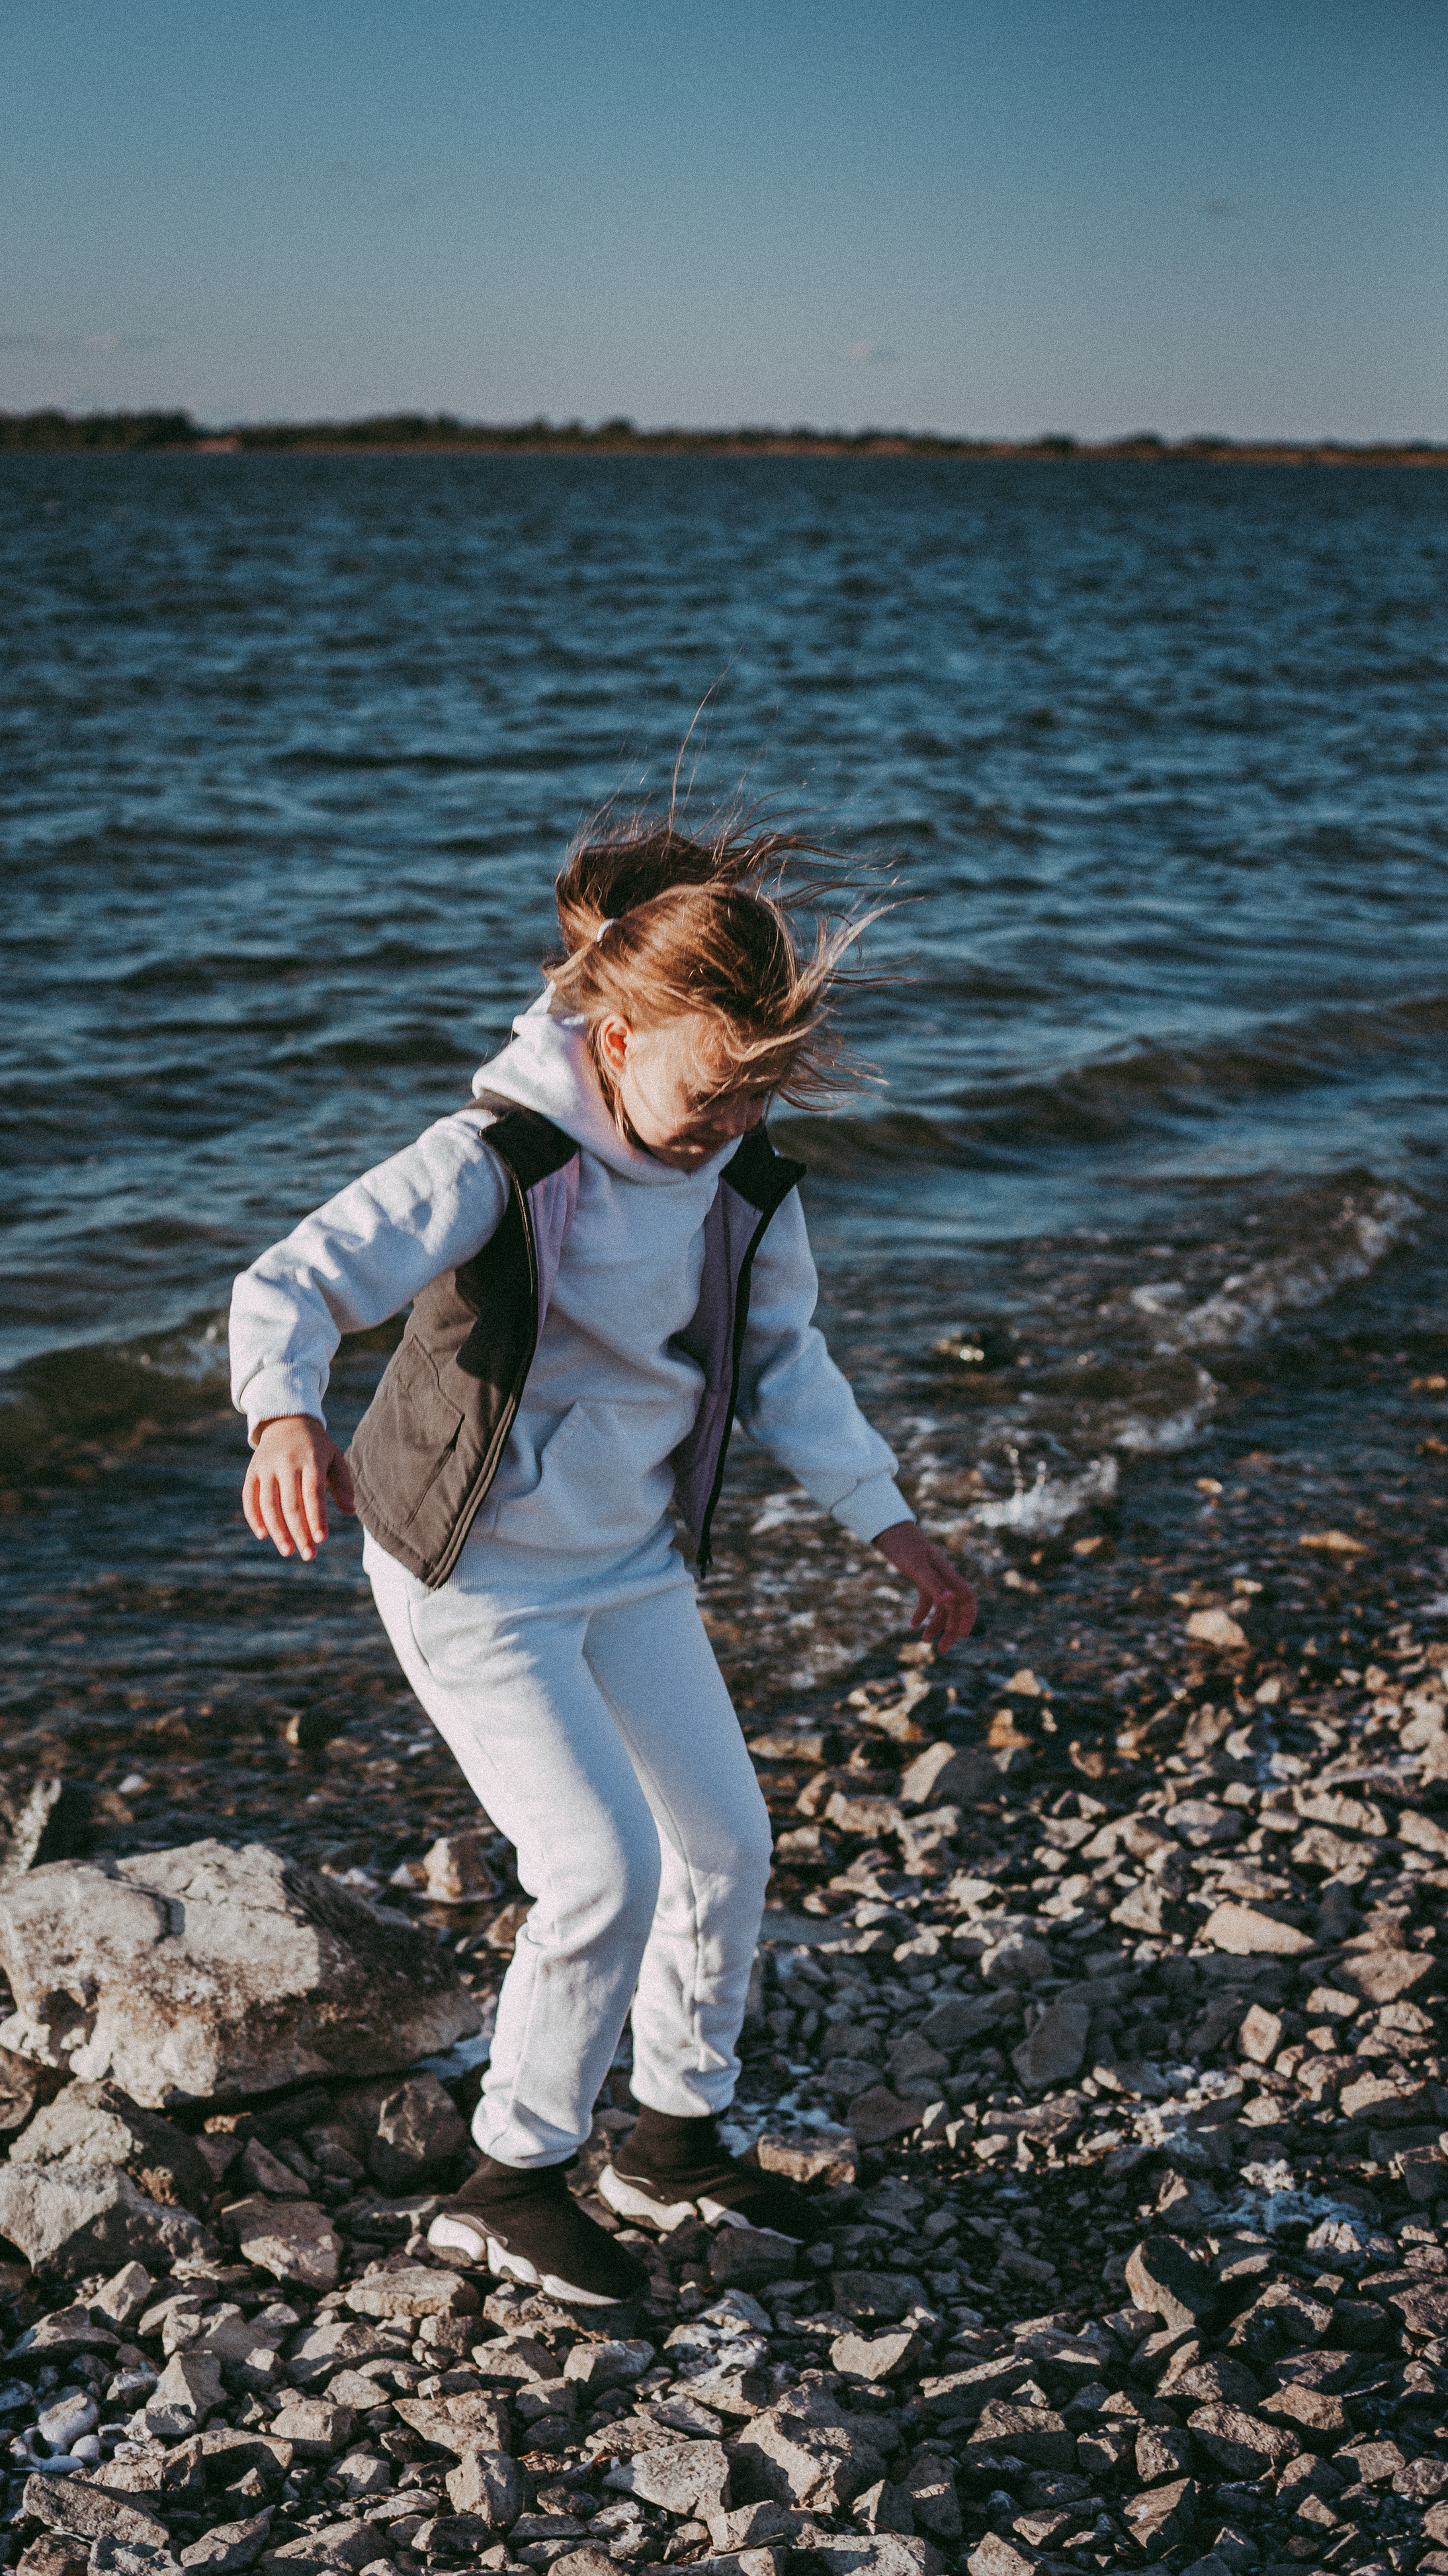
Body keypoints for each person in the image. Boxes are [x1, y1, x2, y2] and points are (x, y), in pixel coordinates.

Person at [229, 811, 976, 2304]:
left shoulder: (746, 1183)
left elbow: (786, 1369)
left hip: (629, 1560)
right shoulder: (493, 1160)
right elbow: (297, 1279)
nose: (725, 1123)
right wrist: (282, 1416)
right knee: (597, 1868)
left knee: (725, 1844)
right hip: (471, 1573)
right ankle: (507, 2180)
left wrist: (889, 1520)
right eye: (707, 1093)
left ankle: (673, 2138)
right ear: (615, 1038)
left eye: (754, 1095)